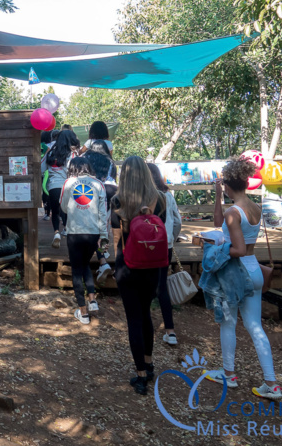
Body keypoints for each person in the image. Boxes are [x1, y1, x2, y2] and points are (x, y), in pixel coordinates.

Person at [204, 158, 282, 400]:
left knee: (228, 324)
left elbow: (236, 248)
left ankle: (228, 374)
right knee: (254, 326)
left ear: (228, 185)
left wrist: (215, 250)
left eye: (223, 186)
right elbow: (220, 223)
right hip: (255, 270)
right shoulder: (254, 207)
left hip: (236, 272)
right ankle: (271, 383)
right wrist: (217, 196)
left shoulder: (233, 211)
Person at [110, 156, 167, 395]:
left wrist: (115, 264)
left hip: (127, 265)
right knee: (146, 314)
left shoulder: (118, 200)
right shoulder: (160, 200)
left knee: (133, 318)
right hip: (153, 266)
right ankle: (150, 361)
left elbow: (116, 240)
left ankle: (141, 376)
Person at [60, 157, 108, 324]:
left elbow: (64, 207)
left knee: (76, 270)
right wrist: (104, 236)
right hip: (93, 233)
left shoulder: (68, 183)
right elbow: (103, 212)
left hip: (74, 232)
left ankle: (83, 312)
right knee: (86, 264)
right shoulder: (99, 184)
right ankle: (93, 300)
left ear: (72, 168)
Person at [147, 163, 181, 346]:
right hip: (164, 246)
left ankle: (144, 328)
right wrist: (171, 239)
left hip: (145, 246)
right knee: (162, 287)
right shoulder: (168, 196)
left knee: (144, 285)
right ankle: (170, 331)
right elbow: (177, 221)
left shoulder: (144, 197)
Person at [41, 130, 80, 248]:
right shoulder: (71, 154)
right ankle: (67, 230)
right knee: (68, 211)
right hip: (67, 187)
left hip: (53, 188)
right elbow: (73, 172)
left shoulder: (50, 152)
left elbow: (42, 169)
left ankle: (56, 233)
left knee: (55, 212)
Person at [84, 149, 116, 283]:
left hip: (93, 193)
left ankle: (100, 260)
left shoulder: (88, 184)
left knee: (92, 228)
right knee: (103, 228)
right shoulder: (109, 163)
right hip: (108, 190)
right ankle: (102, 260)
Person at [40, 132, 53, 221]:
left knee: (45, 191)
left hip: (43, 171)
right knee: (46, 190)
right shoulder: (45, 145)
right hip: (46, 171)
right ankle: (49, 211)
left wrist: (42, 158)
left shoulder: (41, 144)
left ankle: (46, 212)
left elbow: (48, 150)